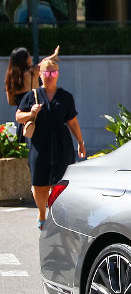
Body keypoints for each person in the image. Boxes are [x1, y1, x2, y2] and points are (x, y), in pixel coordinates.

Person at [15, 53, 85, 230]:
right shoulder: (32, 96)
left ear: (58, 74)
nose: (50, 76)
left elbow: (73, 121)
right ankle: (41, 212)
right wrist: (31, 113)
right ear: (40, 74)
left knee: (61, 182)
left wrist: (81, 142)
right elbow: (18, 116)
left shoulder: (65, 97)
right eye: (46, 73)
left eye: (53, 73)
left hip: (62, 143)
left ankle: (56, 215)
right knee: (39, 183)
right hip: (40, 143)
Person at [5, 47, 39, 141]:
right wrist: (54, 55)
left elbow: (11, 102)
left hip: (21, 114)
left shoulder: (10, 78)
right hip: (35, 111)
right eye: (28, 55)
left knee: (22, 142)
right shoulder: (32, 72)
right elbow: (45, 63)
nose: (30, 58)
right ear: (25, 59)